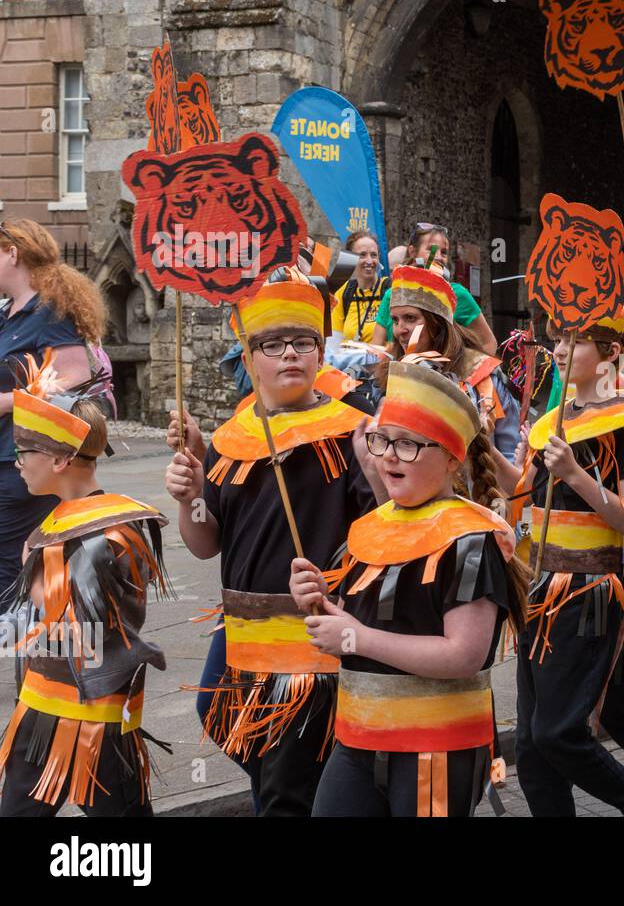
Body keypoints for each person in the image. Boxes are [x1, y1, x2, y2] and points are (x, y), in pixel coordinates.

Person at [164, 269, 384, 816]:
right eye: (273, 344)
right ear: (249, 354)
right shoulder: (229, 438)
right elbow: (204, 541)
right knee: (243, 748)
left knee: (287, 791)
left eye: (304, 342)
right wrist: (189, 494)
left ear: (319, 351)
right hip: (241, 640)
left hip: (308, 645)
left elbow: (386, 531)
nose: (291, 353)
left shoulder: (350, 429)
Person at [288, 358, 527, 816]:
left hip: (437, 748)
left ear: (453, 459)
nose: (390, 455)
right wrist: (317, 602)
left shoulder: (471, 538)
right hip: (357, 741)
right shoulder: (368, 528)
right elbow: (353, 631)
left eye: (409, 445)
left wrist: (356, 636)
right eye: (383, 441)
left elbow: (463, 655)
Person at [497, 309, 624, 816]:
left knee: (557, 732)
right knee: (531, 750)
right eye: (558, 339)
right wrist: (476, 447)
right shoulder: (555, 419)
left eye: (574, 342)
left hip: (587, 595)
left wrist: (575, 473)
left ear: (611, 354)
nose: (557, 350)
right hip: (537, 591)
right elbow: (521, 488)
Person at [0, 362, 167, 816]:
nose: (16, 463)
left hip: (97, 720)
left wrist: (31, 597)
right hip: (38, 708)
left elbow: (85, 629)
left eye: (24, 451)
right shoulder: (57, 519)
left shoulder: (112, 532)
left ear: (59, 460)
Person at [0, 219, 104, 594]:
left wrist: (7, 402)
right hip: (7, 455)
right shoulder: (7, 313)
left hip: (24, 457)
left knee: (9, 562)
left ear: (13, 254)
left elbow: (74, 377)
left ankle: (22, 637)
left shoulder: (48, 313)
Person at [382, 265, 520, 461]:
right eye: (395, 320)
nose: (399, 330)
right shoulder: (390, 374)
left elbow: (512, 458)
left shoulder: (483, 378)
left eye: (410, 318)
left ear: (437, 323)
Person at [377, 223, 497, 356]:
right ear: (412, 252)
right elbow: (377, 347)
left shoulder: (458, 295)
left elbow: (489, 343)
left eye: (444, 252)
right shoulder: (392, 295)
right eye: (431, 250)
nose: (439, 257)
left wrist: (470, 372)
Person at [330, 230, 390, 343]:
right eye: (362, 255)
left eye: (374, 255)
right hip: (349, 359)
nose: (369, 261)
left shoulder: (388, 290)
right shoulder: (343, 293)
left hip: (382, 359)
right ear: (350, 258)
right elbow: (334, 342)